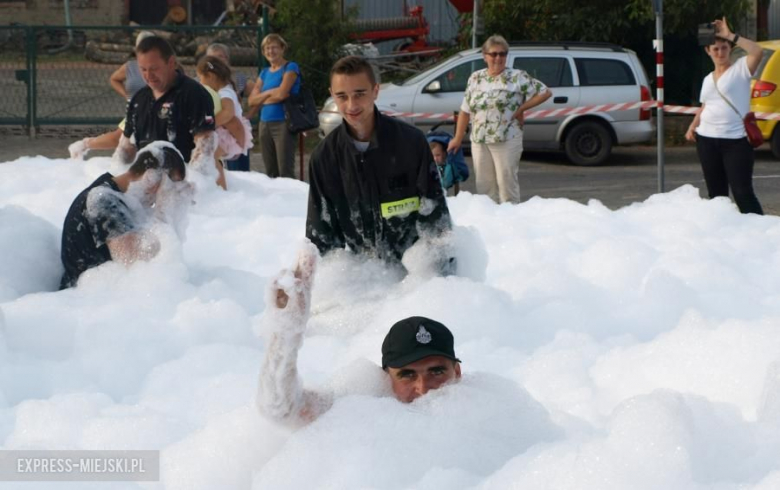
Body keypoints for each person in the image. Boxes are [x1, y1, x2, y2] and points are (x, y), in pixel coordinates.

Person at [256, 242, 462, 426]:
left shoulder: (483, 409)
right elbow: (282, 411)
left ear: (458, 372)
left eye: (436, 372)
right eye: (407, 375)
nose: (423, 388)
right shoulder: (361, 409)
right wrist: (285, 334)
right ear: (386, 379)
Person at [305, 56, 453, 268]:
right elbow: (322, 238)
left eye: (359, 94)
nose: (351, 105)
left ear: (375, 91)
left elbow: (436, 224)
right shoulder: (325, 158)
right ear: (331, 96)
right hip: (363, 278)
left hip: (413, 278)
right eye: (342, 96)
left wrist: (440, 284)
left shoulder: (411, 143)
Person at [59, 143, 189, 289]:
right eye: (166, 187)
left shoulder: (111, 193)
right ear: (150, 177)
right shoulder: (103, 200)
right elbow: (134, 267)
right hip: (81, 298)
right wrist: (164, 211)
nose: (155, 198)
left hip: (95, 295)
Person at [448, 35, 552, 204]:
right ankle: (490, 224)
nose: (498, 58)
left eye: (503, 54)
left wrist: (522, 108)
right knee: (484, 187)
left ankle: (510, 224)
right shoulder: (476, 78)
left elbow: (545, 92)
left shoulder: (517, 76)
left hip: (507, 138)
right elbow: (465, 110)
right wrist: (457, 138)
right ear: (485, 56)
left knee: (506, 186)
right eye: (494, 54)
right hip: (479, 140)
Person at [113, 36, 226, 189]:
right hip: (144, 186)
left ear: (171, 63)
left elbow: (204, 146)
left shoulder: (193, 94)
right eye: (143, 69)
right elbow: (126, 148)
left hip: (183, 185)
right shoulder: (139, 99)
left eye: (154, 69)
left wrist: (191, 185)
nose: (148, 75)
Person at [685, 17, 764, 215]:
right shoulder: (707, 79)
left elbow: (757, 52)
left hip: (736, 141)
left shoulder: (740, 70)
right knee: (717, 196)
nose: (720, 53)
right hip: (707, 139)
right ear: (708, 51)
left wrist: (730, 35)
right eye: (716, 49)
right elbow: (705, 106)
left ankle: (761, 235)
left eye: (724, 48)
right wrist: (692, 126)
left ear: (730, 49)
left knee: (742, 192)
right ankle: (724, 237)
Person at [68, 30, 154, 160]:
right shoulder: (130, 66)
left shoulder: (165, 66)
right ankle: (84, 145)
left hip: (159, 109)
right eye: (142, 48)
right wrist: (126, 96)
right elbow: (114, 79)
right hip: (136, 110)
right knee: (118, 138)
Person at [247, 33, 300, 178]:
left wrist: (262, 97)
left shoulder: (290, 67)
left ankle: (290, 200)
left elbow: (282, 94)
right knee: (270, 171)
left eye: (274, 47)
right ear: (263, 53)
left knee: (285, 171)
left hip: (283, 122)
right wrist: (270, 93)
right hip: (264, 124)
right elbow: (251, 101)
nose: (271, 51)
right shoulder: (264, 73)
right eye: (267, 48)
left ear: (283, 49)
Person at [206, 42, 255, 172]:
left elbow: (255, 92)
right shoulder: (202, 81)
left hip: (232, 132)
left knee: (237, 173)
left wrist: (250, 113)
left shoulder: (236, 79)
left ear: (227, 59)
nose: (217, 60)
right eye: (213, 57)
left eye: (221, 56)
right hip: (215, 135)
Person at [196, 56, 253, 164]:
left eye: (201, 78)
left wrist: (209, 124)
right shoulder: (225, 91)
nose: (200, 82)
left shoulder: (225, 93)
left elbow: (228, 113)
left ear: (211, 76)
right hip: (228, 134)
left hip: (229, 137)